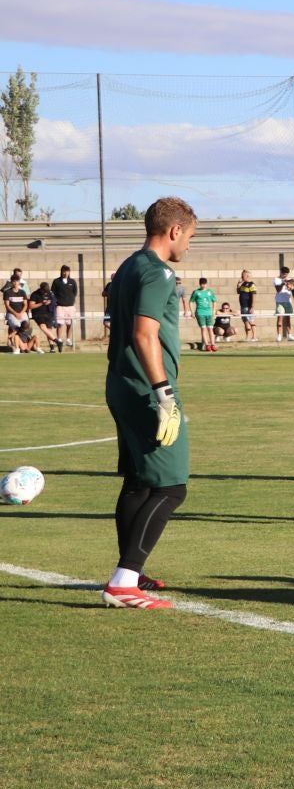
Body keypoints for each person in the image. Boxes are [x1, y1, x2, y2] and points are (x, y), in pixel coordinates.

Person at [100, 197, 198, 609]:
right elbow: (144, 334)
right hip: (146, 388)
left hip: (121, 383)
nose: (189, 245)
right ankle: (122, 582)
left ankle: (131, 573)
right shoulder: (158, 272)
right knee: (172, 486)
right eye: (190, 236)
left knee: (139, 481)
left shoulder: (129, 265)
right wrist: (164, 393)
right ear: (174, 230)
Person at [51, 264, 77, 351]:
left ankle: (68, 339)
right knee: (60, 323)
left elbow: (75, 292)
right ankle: (59, 338)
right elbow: (53, 293)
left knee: (69, 323)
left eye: (67, 271)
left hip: (70, 306)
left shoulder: (72, 282)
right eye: (64, 271)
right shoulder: (56, 281)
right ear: (61, 272)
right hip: (60, 306)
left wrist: (71, 300)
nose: (65, 273)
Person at [188, 277, 218, 352]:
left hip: (209, 313)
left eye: (204, 284)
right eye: (202, 284)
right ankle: (207, 345)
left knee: (210, 329)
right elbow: (191, 301)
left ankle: (213, 344)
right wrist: (192, 312)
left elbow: (214, 301)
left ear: (206, 284)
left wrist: (213, 311)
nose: (203, 285)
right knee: (203, 328)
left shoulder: (209, 292)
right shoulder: (196, 292)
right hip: (200, 312)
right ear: (200, 284)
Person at [3, 269, 29, 353]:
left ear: (19, 282)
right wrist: (15, 313)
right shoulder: (7, 292)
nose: (15, 283)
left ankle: (24, 345)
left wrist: (21, 313)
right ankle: (17, 347)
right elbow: (7, 305)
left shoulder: (22, 292)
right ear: (11, 282)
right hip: (12, 314)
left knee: (26, 325)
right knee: (17, 326)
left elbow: (25, 304)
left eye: (17, 281)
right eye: (13, 281)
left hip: (22, 313)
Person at [29, 280, 57, 353]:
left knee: (49, 330)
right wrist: (41, 303)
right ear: (41, 289)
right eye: (44, 291)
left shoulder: (50, 293)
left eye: (46, 291)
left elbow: (54, 302)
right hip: (38, 314)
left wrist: (50, 303)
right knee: (43, 327)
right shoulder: (35, 294)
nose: (45, 293)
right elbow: (31, 306)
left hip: (49, 313)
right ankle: (57, 341)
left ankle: (52, 347)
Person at [273, 266, 294, 341]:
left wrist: (288, 284)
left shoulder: (290, 279)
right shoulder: (276, 280)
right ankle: (279, 335)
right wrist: (282, 283)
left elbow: (292, 287)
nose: (286, 276)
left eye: (287, 274)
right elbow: (278, 290)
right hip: (279, 301)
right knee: (280, 317)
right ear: (281, 273)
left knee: (288, 319)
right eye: (284, 274)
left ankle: (289, 335)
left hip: (288, 301)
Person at [236, 269, 259, 341]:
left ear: (247, 276)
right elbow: (238, 292)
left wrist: (252, 307)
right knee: (245, 321)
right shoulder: (243, 284)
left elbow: (254, 296)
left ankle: (254, 336)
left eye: (243, 276)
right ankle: (247, 337)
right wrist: (238, 286)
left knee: (251, 320)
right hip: (243, 306)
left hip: (248, 307)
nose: (241, 277)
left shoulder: (251, 284)